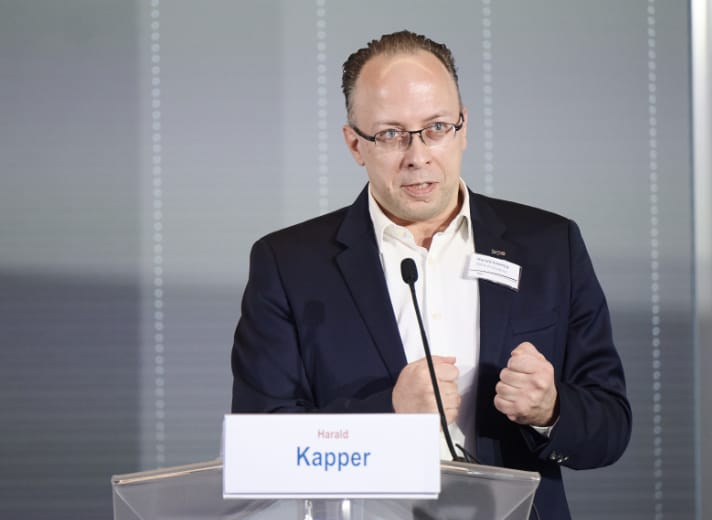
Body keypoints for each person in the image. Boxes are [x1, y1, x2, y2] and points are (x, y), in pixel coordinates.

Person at [231, 30, 631, 519]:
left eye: (436, 127)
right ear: (355, 144)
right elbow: (261, 455)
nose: (417, 156)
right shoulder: (289, 264)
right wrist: (388, 413)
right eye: (391, 134)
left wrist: (551, 410)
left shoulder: (549, 247)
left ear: (463, 128)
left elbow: (611, 427)